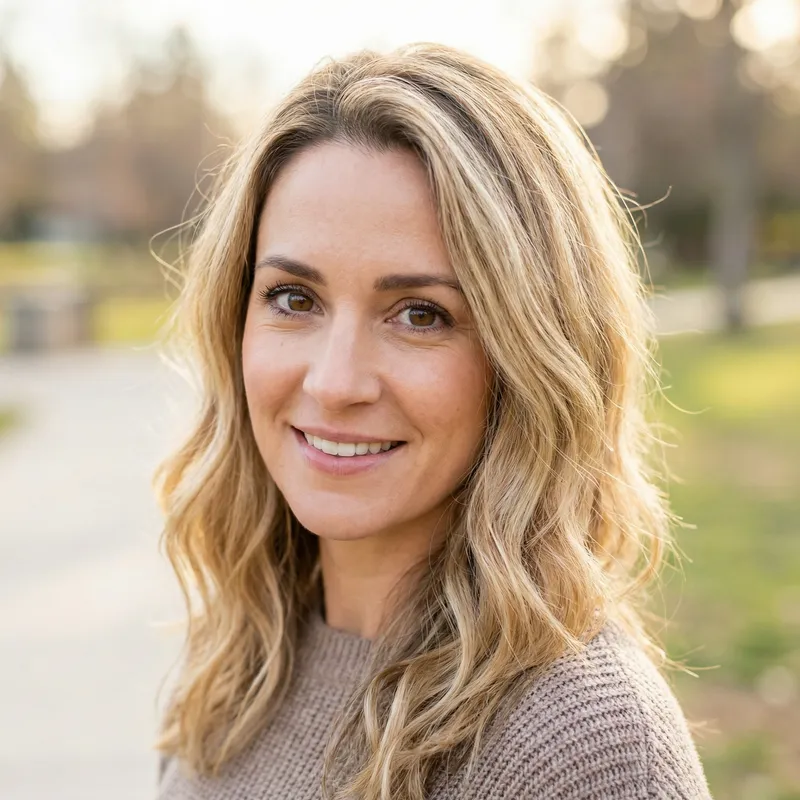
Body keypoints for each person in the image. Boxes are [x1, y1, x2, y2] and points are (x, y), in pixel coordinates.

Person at [153, 42, 713, 800]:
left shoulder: (584, 746)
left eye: (420, 314)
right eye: (294, 298)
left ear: (527, 355)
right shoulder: (235, 661)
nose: (335, 381)